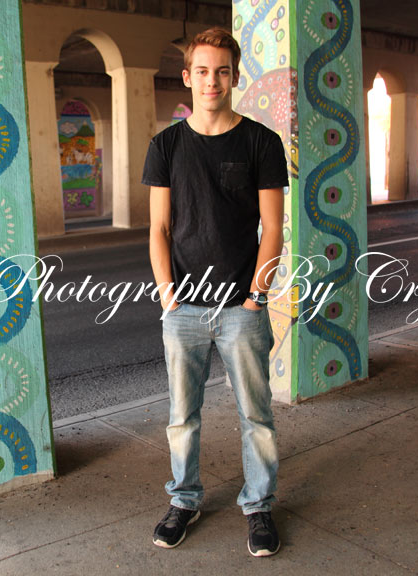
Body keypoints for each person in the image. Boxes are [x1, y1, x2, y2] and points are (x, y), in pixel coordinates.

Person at [141, 27, 288, 557]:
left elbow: (272, 229)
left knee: (257, 416)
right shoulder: (166, 146)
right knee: (182, 416)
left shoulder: (261, 143)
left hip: (241, 310)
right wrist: (167, 298)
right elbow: (159, 228)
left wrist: (254, 298)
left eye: (222, 71)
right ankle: (184, 500)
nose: (212, 81)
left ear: (234, 77)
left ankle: (259, 505)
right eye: (202, 71)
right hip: (183, 308)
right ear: (187, 76)